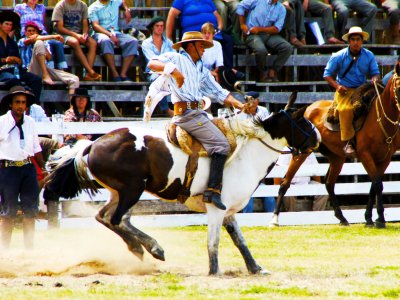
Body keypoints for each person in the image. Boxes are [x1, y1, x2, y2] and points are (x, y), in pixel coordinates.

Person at [147, 31, 244, 210]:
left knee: (229, 138)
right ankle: (212, 190)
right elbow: (152, 63)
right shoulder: (176, 58)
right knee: (222, 146)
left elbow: (218, 91)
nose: (204, 50)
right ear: (190, 46)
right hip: (186, 115)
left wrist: (241, 105)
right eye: (201, 46)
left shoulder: (200, 67)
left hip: (198, 113)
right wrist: (174, 71)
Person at [323, 26, 380, 156]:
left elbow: (375, 73)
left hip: (363, 88)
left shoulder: (369, 55)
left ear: (362, 41)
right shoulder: (339, 56)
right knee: (345, 110)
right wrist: (337, 86)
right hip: (345, 90)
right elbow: (327, 74)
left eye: (358, 39)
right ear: (349, 41)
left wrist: (374, 80)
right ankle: (348, 141)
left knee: (378, 106)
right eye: (353, 39)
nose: (355, 42)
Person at [0, 86, 44, 249]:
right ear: (11, 104)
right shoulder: (2, 122)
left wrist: (43, 166)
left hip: (27, 167)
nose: (20, 105)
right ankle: (4, 250)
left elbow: (36, 147)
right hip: (7, 168)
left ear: (26, 105)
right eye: (17, 102)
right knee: (8, 212)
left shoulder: (30, 122)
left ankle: (29, 249)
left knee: (30, 211)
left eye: (23, 103)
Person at [165, 0, 235, 70]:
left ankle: (226, 72)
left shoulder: (208, 1)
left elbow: (218, 17)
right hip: (195, 34)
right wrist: (169, 37)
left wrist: (218, 29)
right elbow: (171, 14)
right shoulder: (182, 1)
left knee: (228, 40)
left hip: (211, 32)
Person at [237, 0, 293, 82]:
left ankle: (273, 71)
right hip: (252, 34)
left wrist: (259, 29)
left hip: (268, 34)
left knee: (287, 48)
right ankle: (262, 72)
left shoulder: (281, 8)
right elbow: (241, 5)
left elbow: (277, 28)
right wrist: (242, 24)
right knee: (261, 50)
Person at [18, 21, 79, 94]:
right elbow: (28, 41)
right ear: (25, 32)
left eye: (33, 31)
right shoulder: (21, 41)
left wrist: (42, 44)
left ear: (37, 32)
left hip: (45, 68)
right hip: (29, 70)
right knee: (39, 43)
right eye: (29, 31)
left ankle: (71, 105)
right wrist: (53, 36)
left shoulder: (44, 42)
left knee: (74, 79)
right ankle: (45, 75)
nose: (31, 33)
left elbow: (49, 57)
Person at [238, 91, 275, 213]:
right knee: (248, 189)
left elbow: (267, 128)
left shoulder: (263, 110)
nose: (250, 103)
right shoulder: (240, 112)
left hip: (261, 148)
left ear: (257, 101)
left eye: (252, 100)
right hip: (246, 148)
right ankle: (247, 217)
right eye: (248, 100)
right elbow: (242, 130)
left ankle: (271, 216)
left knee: (263, 186)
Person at [88, 0, 139, 82]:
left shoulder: (114, 1)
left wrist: (126, 9)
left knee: (133, 41)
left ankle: (123, 74)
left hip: (116, 32)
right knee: (105, 40)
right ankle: (114, 73)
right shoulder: (93, 8)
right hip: (100, 33)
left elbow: (122, 1)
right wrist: (110, 35)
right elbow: (95, 25)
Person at [52, 0, 102, 81]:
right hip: (63, 34)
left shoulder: (83, 5)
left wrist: (84, 34)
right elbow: (60, 28)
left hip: (79, 34)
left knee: (93, 43)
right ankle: (91, 71)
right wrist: (75, 35)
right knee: (74, 42)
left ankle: (88, 74)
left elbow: (85, 24)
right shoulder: (60, 5)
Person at [0, 10, 42, 102]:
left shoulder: (12, 43)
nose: (9, 27)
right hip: (2, 71)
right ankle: (24, 94)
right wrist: (5, 60)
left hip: (15, 70)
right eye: (6, 24)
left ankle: (34, 105)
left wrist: (17, 60)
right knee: (12, 79)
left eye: (10, 25)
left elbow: (19, 60)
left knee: (36, 79)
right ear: (0, 24)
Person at [14, 0, 68, 70]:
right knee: (47, 43)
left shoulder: (41, 7)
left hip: (42, 33)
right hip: (28, 34)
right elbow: (15, 23)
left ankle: (62, 69)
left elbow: (43, 23)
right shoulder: (19, 7)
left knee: (57, 43)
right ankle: (50, 69)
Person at [141, 16, 175, 117]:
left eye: (162, 26)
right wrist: (166, 62)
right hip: (153, 72)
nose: (160, 28)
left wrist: (167, 65)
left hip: (169, 71)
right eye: (157, 26)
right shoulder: (146, 43)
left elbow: (174, 57)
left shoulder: (168, 42)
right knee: (159, 78)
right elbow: (153, 60)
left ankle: (185, 108)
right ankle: (166, 109)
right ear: (152, 27)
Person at [201, 22, 244, 87]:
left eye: (209, 33)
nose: (207, 35)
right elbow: (198, 66)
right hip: (200, 71)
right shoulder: (199, 45)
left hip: (212, 71)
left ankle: (233, 85)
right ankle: (234, 81)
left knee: (222, 70)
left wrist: (214, 73)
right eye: (204, 33)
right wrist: (212, 74)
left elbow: (219, 64)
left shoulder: (217, 45)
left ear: (213, 34)